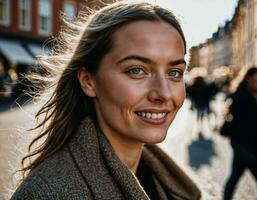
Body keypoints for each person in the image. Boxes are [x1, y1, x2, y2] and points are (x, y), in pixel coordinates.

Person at [11, 2, 201, 199]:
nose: (164, 93)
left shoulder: (163, 180)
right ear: (88, 81)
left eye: (174, 72)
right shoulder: (47, 193)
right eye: (136, 70)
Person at [221, 67, 257, 200]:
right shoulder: (239, 96)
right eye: (255, 79)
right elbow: (234, 119)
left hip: (252, 143)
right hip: (242, 143)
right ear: (248, 79)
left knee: (235, 175)